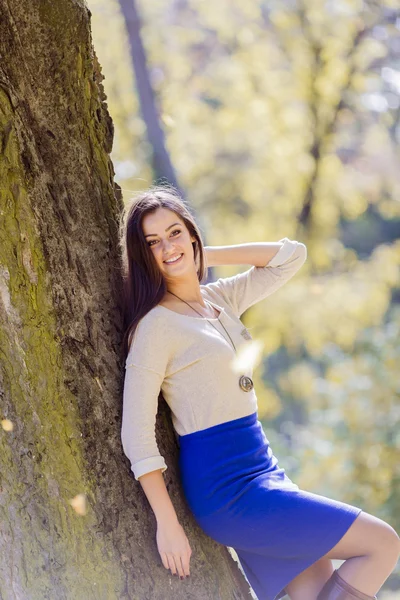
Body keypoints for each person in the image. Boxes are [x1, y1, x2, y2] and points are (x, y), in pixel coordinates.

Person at [119, 186, 400, 600]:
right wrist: (167, 522)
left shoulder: (218, 301)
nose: (168, 247)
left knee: (317, 591)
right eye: (153, 243)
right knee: (384, 543)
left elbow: (290, 257)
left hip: (265, 470)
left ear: (192, 235)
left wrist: (199, 256)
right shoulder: (155, 327)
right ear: (143, 256)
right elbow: (136, 434)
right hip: (227, 490)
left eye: (175, 233)